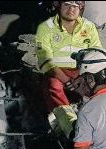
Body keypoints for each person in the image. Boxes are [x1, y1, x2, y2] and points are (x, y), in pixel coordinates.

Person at [35, 0, 102, 134]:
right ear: (58, 5)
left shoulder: (89, 27)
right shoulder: (45, 27)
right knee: (53, 86)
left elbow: (96, 53)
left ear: (81, 7)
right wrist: (66, 80)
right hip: (58, 73)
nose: (71, 9)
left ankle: (104, 122)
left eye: (75, 6)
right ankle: (70, 127)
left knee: (105, 87)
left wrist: (87, 77)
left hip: (82, 72)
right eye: (67, 4)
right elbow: (45, 61)